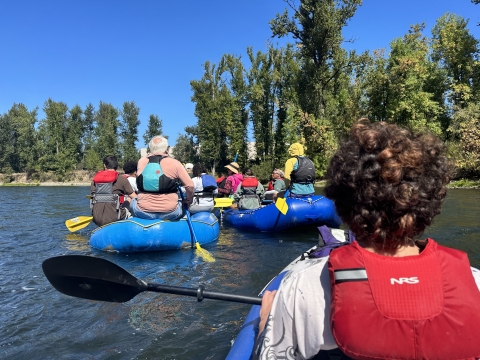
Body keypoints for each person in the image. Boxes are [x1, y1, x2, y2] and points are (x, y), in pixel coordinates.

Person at [255, 119, 480, 359]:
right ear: (431, 203)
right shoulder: (474, 281)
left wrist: (265, 323)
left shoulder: (304, 285)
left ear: (342, 203)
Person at [130, 135, 194, 220]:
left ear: (150, 148)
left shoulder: (142, 161)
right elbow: (190, 186)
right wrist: (188, 200)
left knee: (132, 201)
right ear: (166, 149)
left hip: (143, 211)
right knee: (181, 204)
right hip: (171, 212)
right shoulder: (175, 163)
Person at [90, 155, 136, 227]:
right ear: (116, 166)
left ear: (105, 165)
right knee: (129, 199)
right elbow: (135, 197)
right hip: (115, 217)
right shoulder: (121, 179)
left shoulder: (94, 181)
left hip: (97, 218)